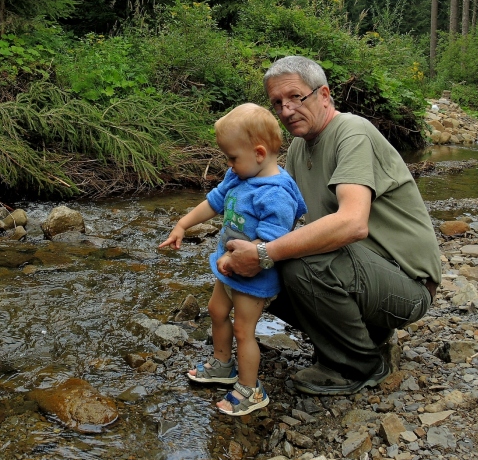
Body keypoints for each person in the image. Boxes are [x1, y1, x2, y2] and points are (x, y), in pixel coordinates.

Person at [218, 56, 442, 396]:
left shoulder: (351, 132)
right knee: (257, 268)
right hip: (363, 275)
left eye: (296, 97)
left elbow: (352, 224)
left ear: (323, 95)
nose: (286, 109)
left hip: (408, 284)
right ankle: (364, 336)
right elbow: (275, 218)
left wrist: (263, 253)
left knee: (291, 260)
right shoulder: (296, 151)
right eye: (277, 102)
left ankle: (361, 364)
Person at [159, 103, 307, 415]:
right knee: (215, 310)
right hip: (228, 268)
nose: (229, 163)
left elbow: (272, 240)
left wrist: (238, 257)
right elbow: (214, 202)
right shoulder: (238, 175)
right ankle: (223, 364)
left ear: (258, 153)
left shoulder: (275, 192)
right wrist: (183, 224)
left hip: (255, 276)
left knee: (244, 330)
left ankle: (250, 389)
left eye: (232, 157)